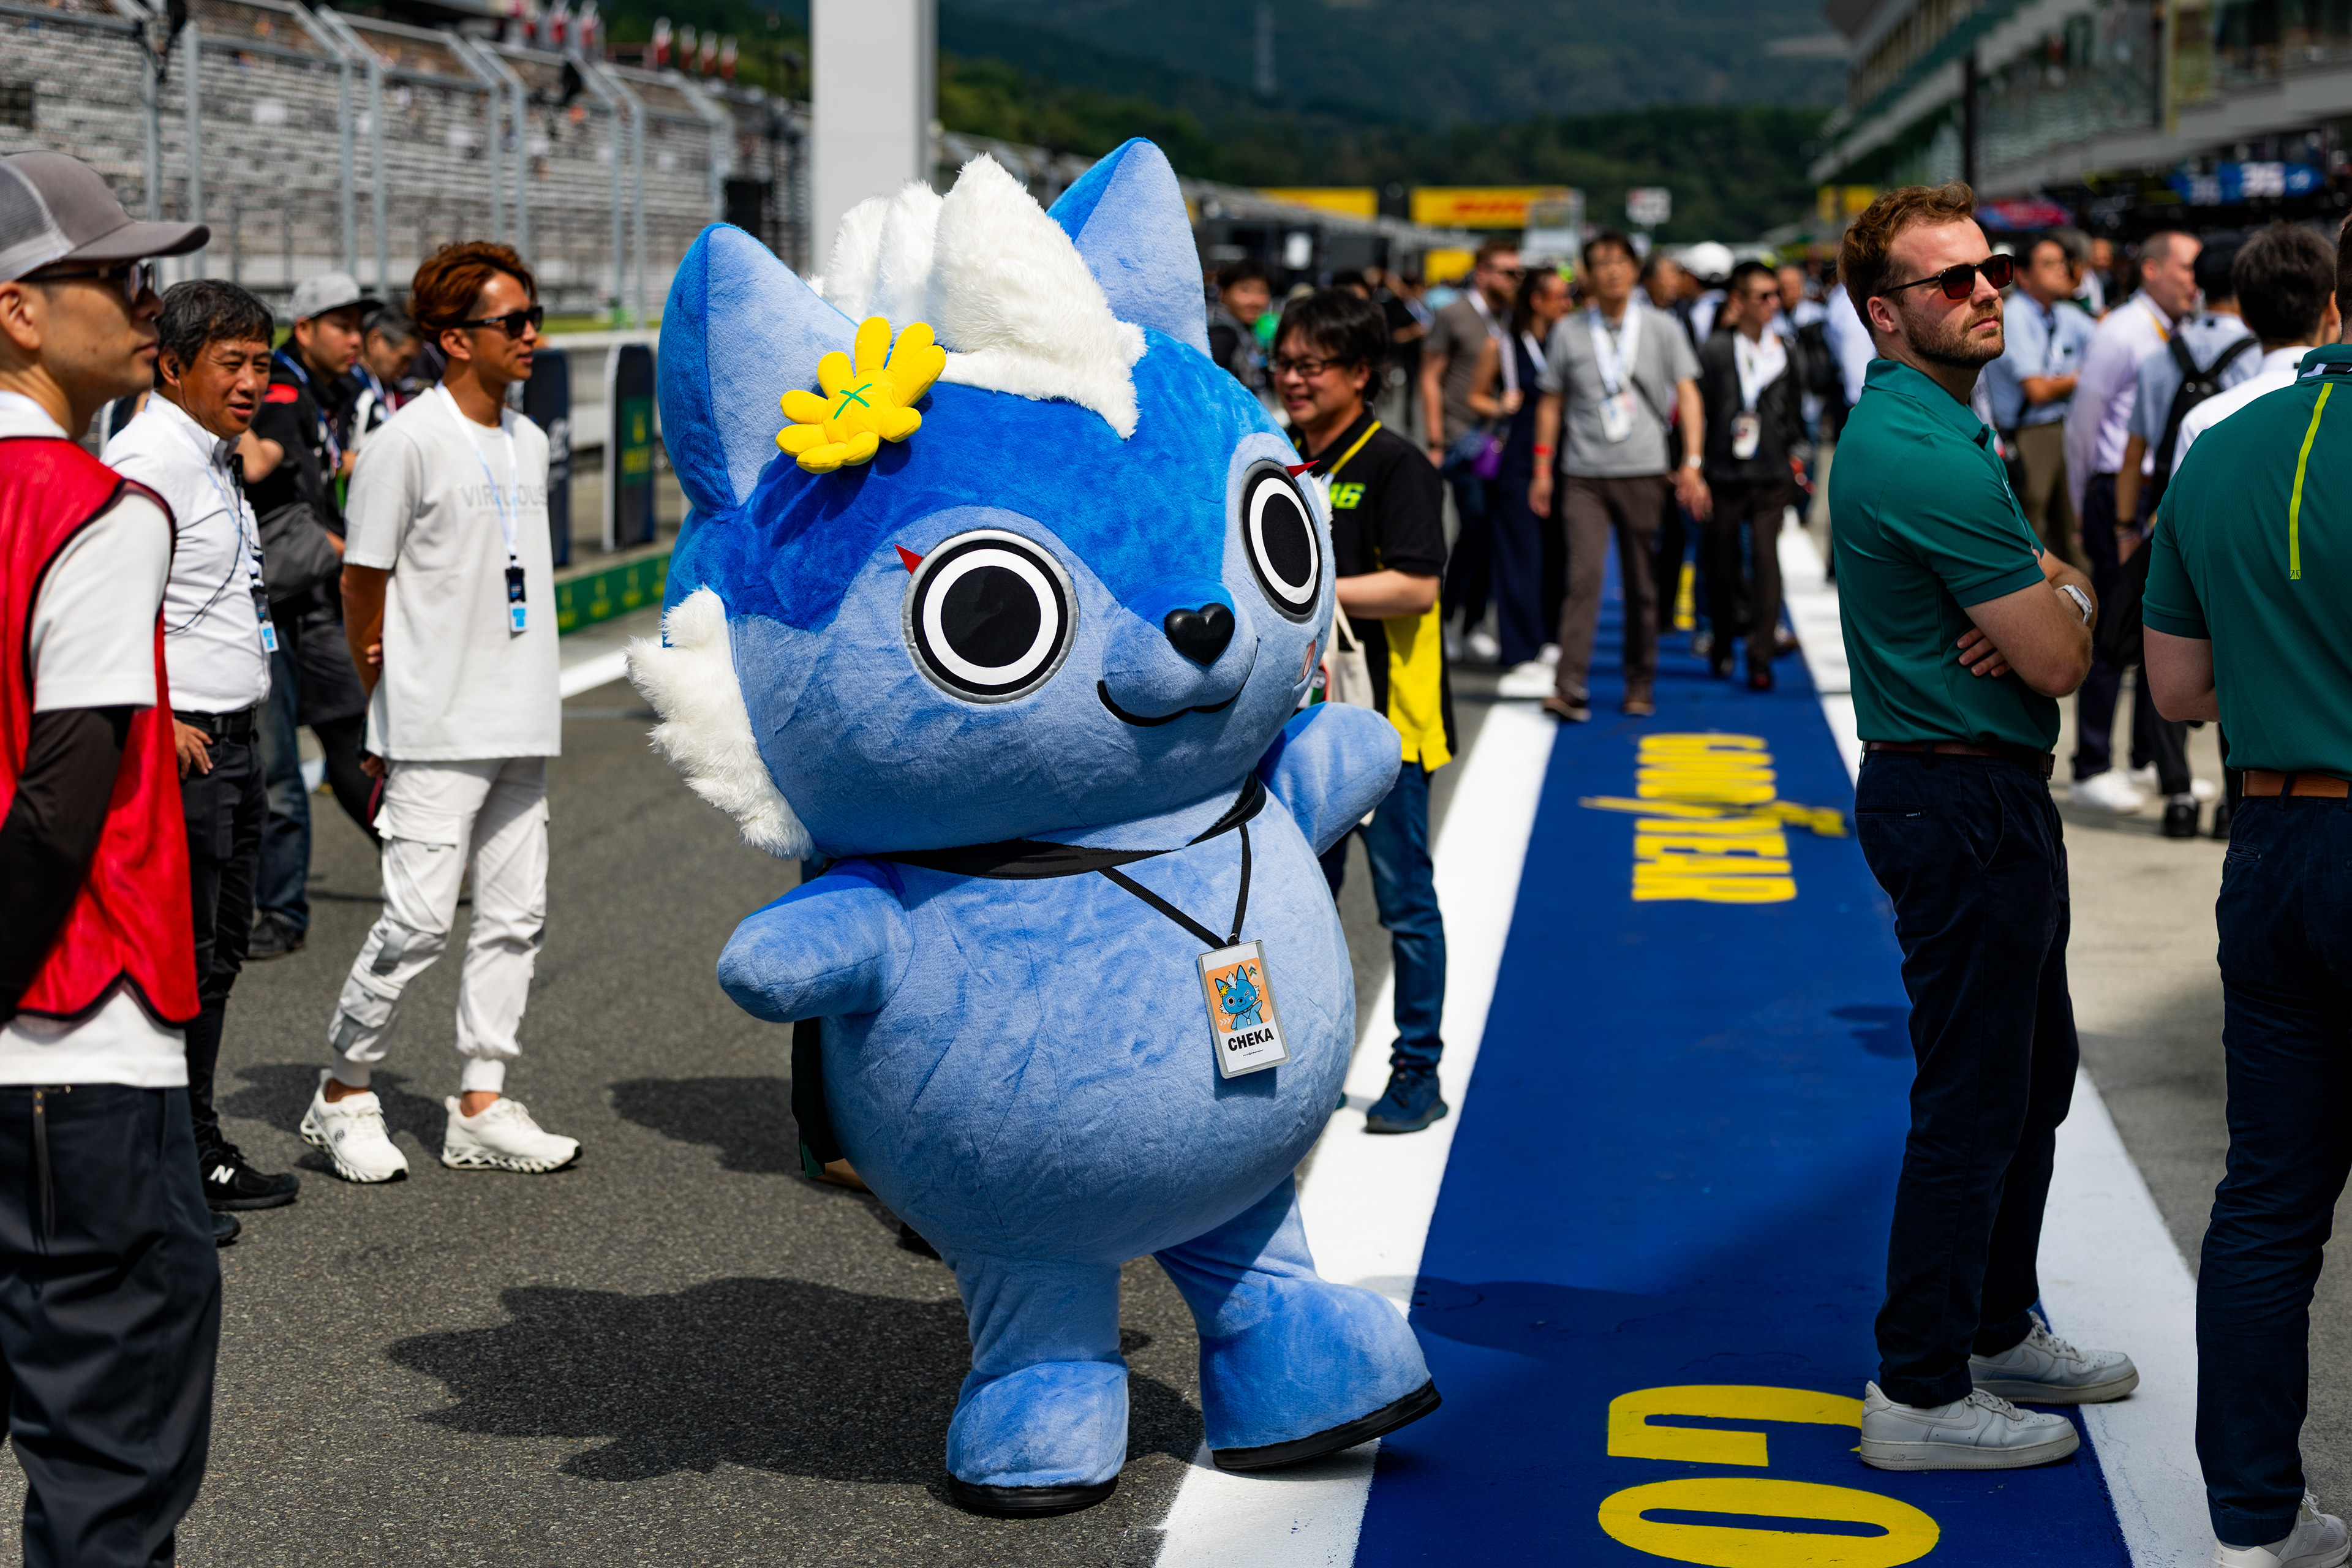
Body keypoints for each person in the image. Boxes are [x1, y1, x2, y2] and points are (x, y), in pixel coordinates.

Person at [1827, 183, 2137, 1472]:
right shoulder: (1922, 448)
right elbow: (2061, 658)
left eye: (1991, 269)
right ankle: (1918, 1384)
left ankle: (1996, 1323)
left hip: (1977, 791)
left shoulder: (1946, 426)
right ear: (1884, 314)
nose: (1985, 291)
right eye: (1949, 280)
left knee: (2031, 1075)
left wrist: (2057, 592)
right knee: (1973, 1096)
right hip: (1958, 799)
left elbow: (2063, 598)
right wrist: (2056, 604)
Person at [0, 147, 223, 1562]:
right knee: (108, 1473)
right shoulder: (93, 507)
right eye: (117, 275)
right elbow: (56, 809)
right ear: (18, 308)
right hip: (74, 1035)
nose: (151, 304)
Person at [2141, 214, 2352, 1568]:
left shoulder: (2219, 447)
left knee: (2269, 1199)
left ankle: (2256, 1516)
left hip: (2272, 841)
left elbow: (2176, 690)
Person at [303, 241, 579, 1183]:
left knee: (515, 916)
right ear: (456, 339)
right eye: (515, 321)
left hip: (521, 713)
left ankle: (481, 1102)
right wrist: (382, 689)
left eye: (534, 318)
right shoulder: (405, 443)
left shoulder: (529, 440)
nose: (533, 336)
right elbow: (362, 581)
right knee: (417, 922)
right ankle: (343, 1090)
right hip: (435, 721)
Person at [102, 279, 306, 1219]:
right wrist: (158, 719)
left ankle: (194, 1148)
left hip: (233, 741)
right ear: (174, 366)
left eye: (262, 362)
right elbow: (106, 606)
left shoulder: (209, 454)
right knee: (175, 967)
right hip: (185, 752)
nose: (252, 381)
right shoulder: (149, 459)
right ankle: (161, 1165)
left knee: (216, 960)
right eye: (232, 363)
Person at [1275, 288, 1454, 1134]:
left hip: (1388, 727)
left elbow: (1417, 586)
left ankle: (1418, 1067)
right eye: (1284, 363)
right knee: (1296, 905)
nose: (1293, 379)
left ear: (1361, 373)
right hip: (1291, 730)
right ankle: (1298, 1070)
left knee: (1404, 905)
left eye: (1312, 365)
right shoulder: (1274, 456)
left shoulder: (1395, 465)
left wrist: (1302, 591)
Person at [245, 271, 377, 961]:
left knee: (355, 739)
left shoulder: (333, 390)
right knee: (277, 767)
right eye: (341, 324)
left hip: (316, 598)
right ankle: (281, 910)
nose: (356, 338)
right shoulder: (282, 391)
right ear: (304, 330)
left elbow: (317, 469)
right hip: (272, 602)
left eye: (360, 325)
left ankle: (422, 859)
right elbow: (259, 462)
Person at [2108, 236, 2256, 839]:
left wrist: (2126, 529)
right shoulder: (2260, 359)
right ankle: (2232, 799)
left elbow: (2135, 454)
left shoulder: (2161, 356)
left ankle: (2176, 794)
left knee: (2164, 653)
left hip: (2166, 527)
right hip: (2236, 531)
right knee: (2234, 656)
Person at [1528, 230, 1708, 722]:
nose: (1612, 270)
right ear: (1587, 274)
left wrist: (1692, 462)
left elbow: (1688, 394)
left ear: (1635, 270)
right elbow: (1550, 403)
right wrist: (1542, 468)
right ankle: (1569, 684)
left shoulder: (1662, 327)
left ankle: (1639, 681)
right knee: (1583, 578)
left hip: (1644, 470)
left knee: (1641, 581)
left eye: (1620, 261)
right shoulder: (1569, 331)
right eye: (1601, 263)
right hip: (1582, 472)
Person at [2063, 228, 2201, 816]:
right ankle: (2092, 763)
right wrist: (2081, 501)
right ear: (2152, 269)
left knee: (2160, 627)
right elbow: (2084, 423)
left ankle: (2148, 757)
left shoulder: (2181, 332)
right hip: (2115, 490)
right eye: (2186, 267)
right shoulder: (2121, 332)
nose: (2194, 280)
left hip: (2156, 490)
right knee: (2111, 626)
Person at [1695, 261, 1806, 690]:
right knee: (1721, 566)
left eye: (1775, 294)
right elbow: (1699, 411)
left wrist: (1797, 456)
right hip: (1724, 473)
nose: (1773, 303)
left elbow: (1794, 412)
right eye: (1763, 296)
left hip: (1772, 474)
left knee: (1765, 560)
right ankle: (1724, 638)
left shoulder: (1786, 350)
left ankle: (1760, 656)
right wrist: (1694, 468)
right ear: (1738, 301)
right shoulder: (1715, 350)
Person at [1470, 266, 1572, 691]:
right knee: (1519, 553)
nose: (1567, 303)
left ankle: (1550, 637)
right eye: (1560, 296)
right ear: (1538, 300)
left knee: (1558, 553)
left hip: (1567, 458)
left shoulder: (1568, 341)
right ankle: (1518, 648)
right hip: (1518, 460)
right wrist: (1499, 407)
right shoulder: (1504, 346)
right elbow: (1475, 396)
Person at [1420, 239, 1521, 663]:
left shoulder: (1512, 317)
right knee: (1473, 530)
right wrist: (1436, 440)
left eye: (1518, 273)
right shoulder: (1455, 314)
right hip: (1464, 438)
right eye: (1507, 272)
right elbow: (1430, 377)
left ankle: (1475, 622)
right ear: (1482, 273)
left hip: (1502, 441)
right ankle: (1447, 620)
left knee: (1495, 534)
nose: (1515, 280)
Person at [1981, 234, 2095, 570]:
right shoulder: (2016, 315)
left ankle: (2075, 592)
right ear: (2024, 276)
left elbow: (2105, 340)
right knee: (2031, 526)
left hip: (2060, 427)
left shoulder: (2063, 313)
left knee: (2069, 527)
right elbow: (2037, 390)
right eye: (2049, 264)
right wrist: (2083, 376)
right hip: (2031, 433)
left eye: (2063, 263)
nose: (2061, 270)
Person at [1205, 259, 1272, 401]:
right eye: (1245, 290)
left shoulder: (1245, 332)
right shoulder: (1224, 335)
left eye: (1261, 291)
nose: (1254, 300)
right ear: (1224, 293)